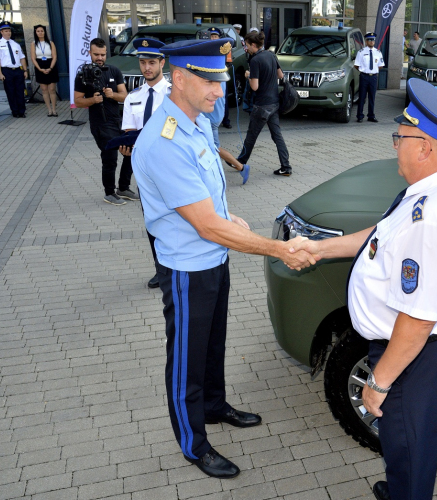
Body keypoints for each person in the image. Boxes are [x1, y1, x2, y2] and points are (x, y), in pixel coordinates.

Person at [131, 38, 316, 479]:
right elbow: (207, 226)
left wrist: (226, 214)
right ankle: (194, 444)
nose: (220, 91)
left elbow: (207, 201)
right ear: (179, 78)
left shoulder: (193, 123)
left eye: (222, 80)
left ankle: (214, 407)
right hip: (187, 268)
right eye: (210, 81)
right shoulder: (163, 140)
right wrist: (277, 248)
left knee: (213, 344)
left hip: (213, 260)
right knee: (186, 360)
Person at [292, 78, 437, 500]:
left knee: (409, 444)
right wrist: (319, 248)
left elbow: (416, 320)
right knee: (403, 443)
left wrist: (377, 382)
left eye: (401, 136)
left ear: (425, 147)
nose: (394, 144)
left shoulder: (432, 218)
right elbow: (379, 236)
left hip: (410, 355)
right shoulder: (429, 192)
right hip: (410, 350)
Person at [119, 38, 171, 289]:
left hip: (171, 168)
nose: (147, 68)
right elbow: (129, 129)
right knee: (152, 221)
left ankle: (178, 267)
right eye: (143, 62)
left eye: (152, 62)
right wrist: (126, 145)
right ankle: (161, 269)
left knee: (177, 218)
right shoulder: (133, 97)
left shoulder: (175, 94)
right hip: (145, 172)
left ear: (162, 62)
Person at [74, 38, 134, 206]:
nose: (99, 58)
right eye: (96, 54)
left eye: (102, 54)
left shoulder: (114, 70)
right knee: (110, 157)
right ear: (89, 53)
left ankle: (123, 187)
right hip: (100, 123)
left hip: (118, 121)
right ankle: (109, 192)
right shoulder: (82, 74)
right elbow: (77, 101)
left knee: (131, 149)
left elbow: (125, 96)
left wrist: (112, 95)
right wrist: (92, 99)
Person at [237, 30, 292, 177]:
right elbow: (280, 75)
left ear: (254, 45)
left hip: (261, 105)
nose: (246, 48)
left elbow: (254, 87)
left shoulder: (255, 61)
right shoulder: (271, 55)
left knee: (251, 136)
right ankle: (286, 167)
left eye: (247, 45)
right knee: (277, 136)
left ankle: (240, 162)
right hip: (274, 103)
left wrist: (249, 75)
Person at [203, 28, 251, 183]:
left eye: (215, 36)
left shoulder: (216, 72)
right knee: (211, 148)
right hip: (211, 115)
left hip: (211, 116)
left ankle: (239, 168)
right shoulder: (219, 70)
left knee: (214, 149)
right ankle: (239, 168)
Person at [0, 22, 28, 118]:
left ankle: (22, 111)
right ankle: (15, 111)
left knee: (20, 91)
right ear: (1, 32)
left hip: (17, 70)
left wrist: (25, 70)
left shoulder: (15, 44)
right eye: (6, 31)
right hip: (7, 70)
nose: (8, 33)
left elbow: (22, 58)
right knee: (11, 92)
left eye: (9, 31)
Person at [355, 32, 384, 123]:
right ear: (366, 41)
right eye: (370, 40)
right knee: (362, 97)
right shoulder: (361, 52)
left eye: (373, 40)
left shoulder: (378, 52)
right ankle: (360, 116)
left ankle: (371, 116)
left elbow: (380, 65)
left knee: (372, 97)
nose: (372, 42)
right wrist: (364, 71)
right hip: (364, 77)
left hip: (374, 77)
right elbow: (356, 65)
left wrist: (373, 71)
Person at [30, 25, 58, 116]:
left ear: (45, 32)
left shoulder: (50, 43)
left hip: (50, 65)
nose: (40, 33)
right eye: (38, 31)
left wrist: (50, 68)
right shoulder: (33, 44)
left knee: (52, 89)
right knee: (44, 89)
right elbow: (33, 58)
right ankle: (49, 110)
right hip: (40, 66)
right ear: (35, 32)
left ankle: (54, 109)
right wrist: (40, 69)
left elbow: (54, 57)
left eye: (42, 31)